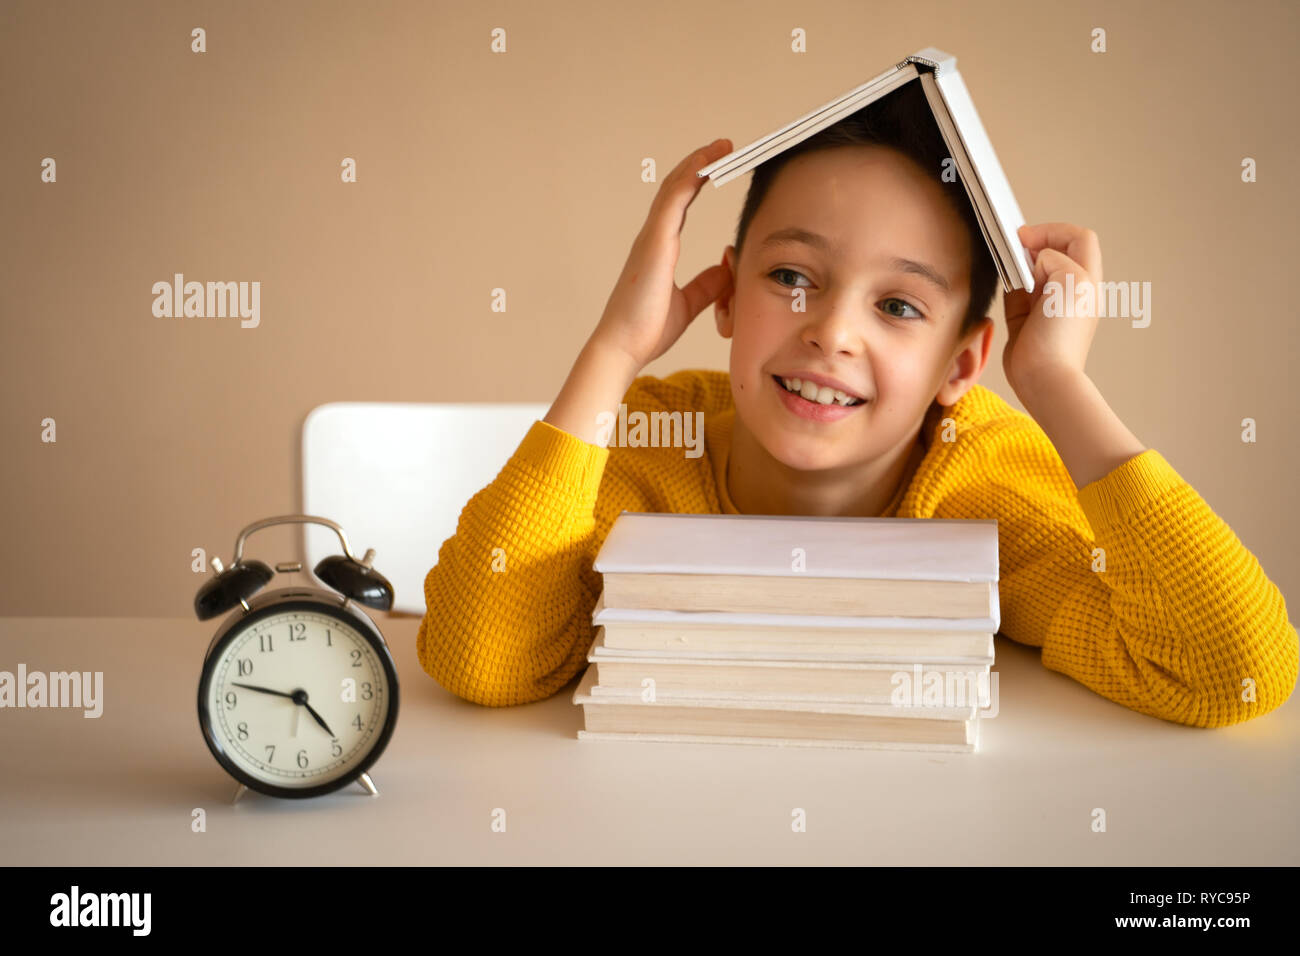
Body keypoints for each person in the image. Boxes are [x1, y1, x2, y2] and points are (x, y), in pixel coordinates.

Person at [415, 82, 1296, 727]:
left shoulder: (982, 484)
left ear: (963, 363)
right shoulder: (652, 443)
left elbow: (1231, 670)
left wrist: (1059, 385)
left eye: (899, 305)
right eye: (791, 277)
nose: (832, 332)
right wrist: (611, 350)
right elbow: (479, 659)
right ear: (725, 297)